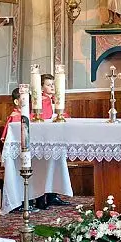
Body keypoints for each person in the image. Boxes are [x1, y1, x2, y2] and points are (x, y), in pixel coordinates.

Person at [38, 74, 71, 208]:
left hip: (55, 138)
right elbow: (42, 117)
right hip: (44, 139)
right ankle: (41, 197)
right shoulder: (39, 101)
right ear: (41, 87)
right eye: (48, 84)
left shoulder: (54, 99)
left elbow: (63, 115)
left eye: (53, 84)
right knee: (44, 167)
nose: (52, 87)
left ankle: (53, 196)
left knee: (56, 165)